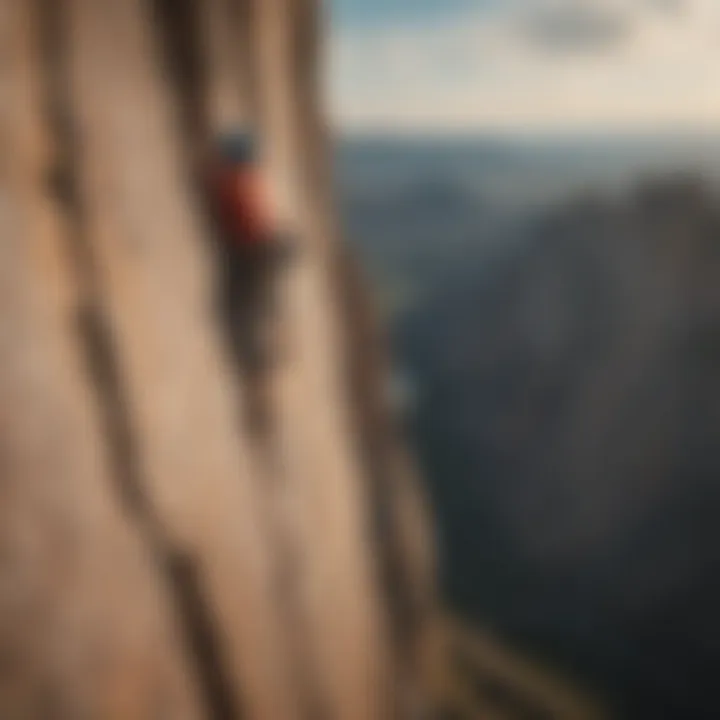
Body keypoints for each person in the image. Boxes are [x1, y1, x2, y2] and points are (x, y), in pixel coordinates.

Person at [206, 130, 294, 379]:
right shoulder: (247, 180)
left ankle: (256, 357)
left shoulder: (234, 184)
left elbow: (244, 224)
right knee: (260, 303)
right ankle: (264, 352)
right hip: (263, 249)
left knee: (244, 306)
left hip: (254, 251)